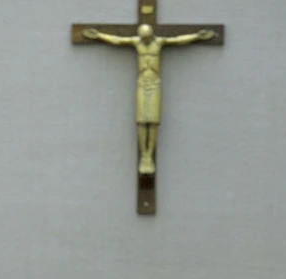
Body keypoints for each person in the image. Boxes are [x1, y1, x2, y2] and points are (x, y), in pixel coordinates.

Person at [82, 24, 215, 175]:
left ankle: (149, 155)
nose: (144, 40)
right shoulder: (136, 42)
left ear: (151, 35)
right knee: (141, 120)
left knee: (153, 120)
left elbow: (178, 40)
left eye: (146, 38)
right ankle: (143, 153)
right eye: (142, 38)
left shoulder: (159, 42)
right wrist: (99, 35)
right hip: (142, 83)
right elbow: (117, 40)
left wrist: (197, 36)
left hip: (155, 84)